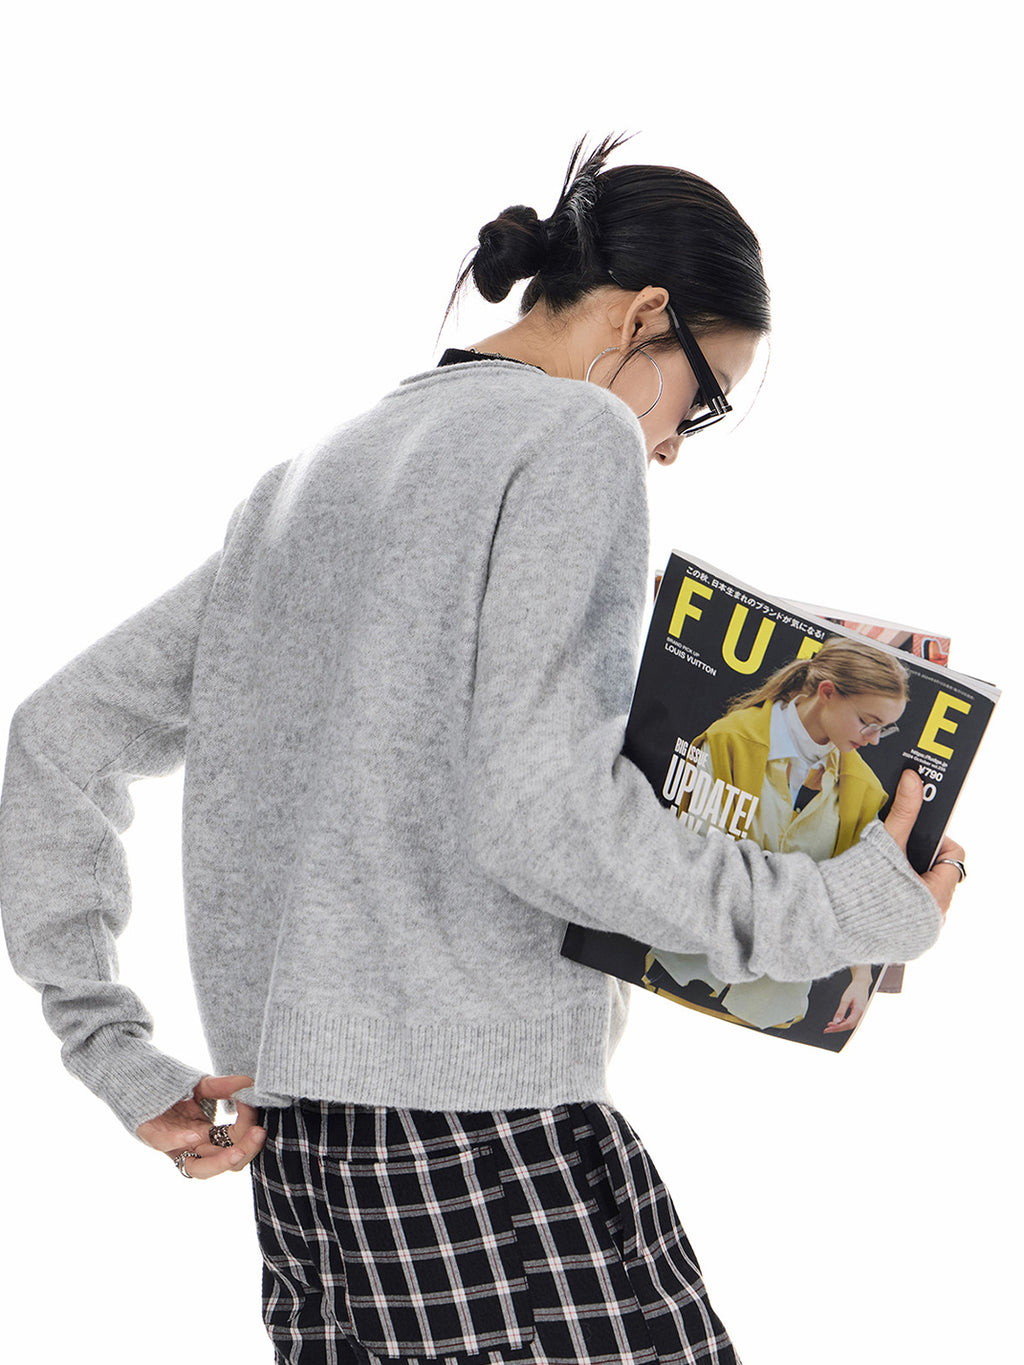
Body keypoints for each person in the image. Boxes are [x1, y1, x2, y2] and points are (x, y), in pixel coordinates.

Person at [0, 135, 966, 1364]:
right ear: (644, 314)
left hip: (306, 1180)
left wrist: (115, 1053)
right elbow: (543, 817)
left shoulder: (315, 473)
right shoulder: (572, 437)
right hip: (485, 1160)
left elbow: (58, 735)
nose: (675, 442)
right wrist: (836, 912)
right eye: (703, 396)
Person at [649, 639, 911, 1035]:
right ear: (827, 693)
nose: (873, 738)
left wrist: (862, 979)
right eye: (867, 722)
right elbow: (687, 865)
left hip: (771, 1009)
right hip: (683, 972)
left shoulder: (863, 788)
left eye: (883, 730)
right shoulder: (729, 740)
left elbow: (851, 895)